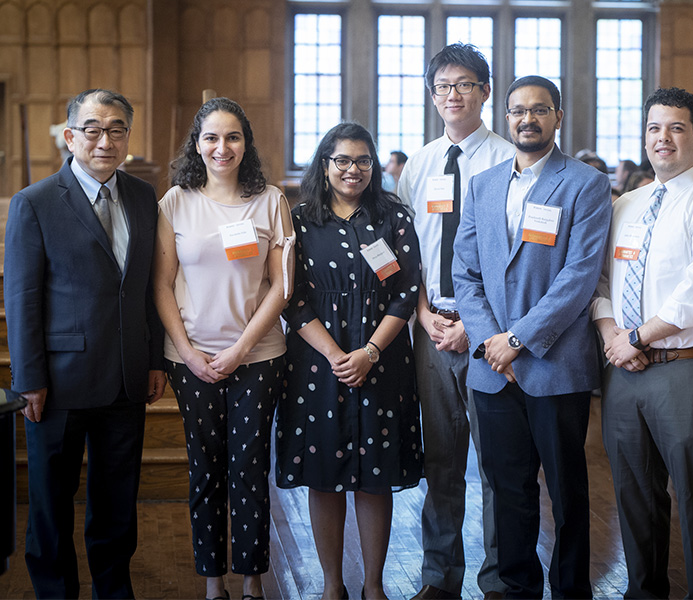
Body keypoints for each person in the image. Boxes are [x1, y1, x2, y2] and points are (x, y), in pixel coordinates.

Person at [453, 75, 610, 599]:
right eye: (518, 110)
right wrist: (489, 342)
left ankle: (571, 590)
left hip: (555, 365)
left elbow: (579, 276)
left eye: (540, 109)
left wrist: (516, 340)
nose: (528, 119)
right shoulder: (483, 185)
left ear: (558, 117)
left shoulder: (585, 183)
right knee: (508, 491)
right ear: (506, 118)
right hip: (492, 371)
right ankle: (517, 588)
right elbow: (465, 274)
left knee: (567, 493)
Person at [4, 88, 166, 599]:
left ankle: (114, 591)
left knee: (117, 505)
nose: (104, 141)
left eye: (116, 129)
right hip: (58, 383)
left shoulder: (143, 197)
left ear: (127, 137)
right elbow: (22, 298)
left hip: (126, 377)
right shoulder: (34, 203)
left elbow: (150, 286)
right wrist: (29, 379)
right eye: (92, 130)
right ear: (71, 137)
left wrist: (154, 358)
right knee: (50, 506)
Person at [592, 87, 693, 599]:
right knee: (634, 497)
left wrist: (635, 338)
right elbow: (601, 283)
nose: (664, 138)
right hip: (624, 370)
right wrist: (613, 336)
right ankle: (644, 592)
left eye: (677, 128)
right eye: (654, 128)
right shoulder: (626, 205)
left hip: (688, 369)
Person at [152, 97, 293, 600]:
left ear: (246, 144)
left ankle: (252, 580)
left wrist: (240, 349)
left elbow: (282, 287)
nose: (222, 147)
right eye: (211, 137)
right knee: (205, 468)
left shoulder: (271, 200)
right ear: (197, 144)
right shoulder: (175, 201)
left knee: (250, 466)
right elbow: (161, 284)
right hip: (190, 359)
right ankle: (214, 583)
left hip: (259, 357)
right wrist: (189, 353)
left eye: (233, 137)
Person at [275, 122, 423, 600]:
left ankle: (374, 585)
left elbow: (406, 291)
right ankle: (332, 585)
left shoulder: (393, 217)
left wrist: (370, 352)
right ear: (325, 165)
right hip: (318, 361)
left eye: (363, 161)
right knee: (324, 475)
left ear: (373, 166)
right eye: (342, 160)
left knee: (376, 476)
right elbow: (291, 297)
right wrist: (338, 355)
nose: (352, 169)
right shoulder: (300, 220)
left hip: (382, 357)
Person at [395, 42, 514, 600]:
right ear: (432, 94)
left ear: (485, 92)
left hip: (489, 333)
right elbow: (407, 250)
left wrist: (474, 323)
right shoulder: (419, 165)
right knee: (441, 460)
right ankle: (439, 578)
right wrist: (423, 313)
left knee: (496, 461)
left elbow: (513, 258)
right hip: (430, 330)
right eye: (443, 86)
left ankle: (499, 580)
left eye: (465, 84)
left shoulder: (508, 160)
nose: (453, 95)